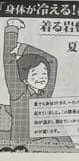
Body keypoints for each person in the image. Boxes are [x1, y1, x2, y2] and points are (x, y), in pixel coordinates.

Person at [2, 19, 73, 148]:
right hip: (21, 146)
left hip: (43, 141)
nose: (42, 78)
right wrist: (12, 30)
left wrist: (24, 48)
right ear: (24, 79)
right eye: (35, 74)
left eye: (44, 73)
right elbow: (9, 63)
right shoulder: (18, 92)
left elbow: (52, 61)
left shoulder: (45, 93)